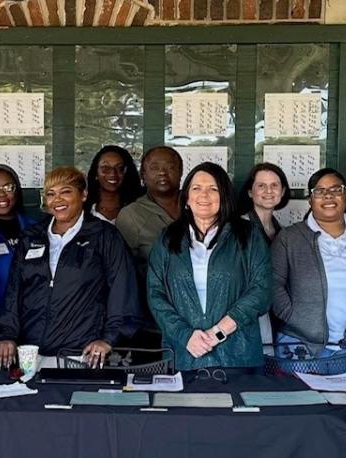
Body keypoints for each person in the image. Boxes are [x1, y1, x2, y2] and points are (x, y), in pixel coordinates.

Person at [0, 166, 140, 369]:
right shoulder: (32, 236)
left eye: (66, 192)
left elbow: (122, 289)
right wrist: (7, 335)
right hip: (31, 353)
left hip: (81, 354)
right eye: (51, 194)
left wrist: (109, 339)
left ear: (84, 194)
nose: (57, 200)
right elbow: (14, 291)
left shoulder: (104, 235)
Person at [146, 163, 272, 371]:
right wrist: (185, 335)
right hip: (183, 354)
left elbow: (262, 290)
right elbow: (155, 293)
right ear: (186, 197)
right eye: (196, 188)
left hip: (238, 355)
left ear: (224, 196)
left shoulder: (248, 235)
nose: (204, 195)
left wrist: (218, 332)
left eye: (213, 189)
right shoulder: (168, 238)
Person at [269, 168, 346, 370]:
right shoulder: (290, 238)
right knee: (301, 401)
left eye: (336, 189)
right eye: (319, 191)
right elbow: (273, 283)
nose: (328, 196)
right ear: (310, 201)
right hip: (299, 345)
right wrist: (294, 316)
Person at [0, 165, 36, 310]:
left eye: (9, 187)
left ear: (17, 191)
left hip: (31, 316)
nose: (1, 194)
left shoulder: (36, 229)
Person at [117, 146, 183, 270]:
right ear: (143, 175)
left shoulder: (198, 205)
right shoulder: (131, 215)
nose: (162, 172)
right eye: (154, 168)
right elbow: (125, 268)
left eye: (170, 167)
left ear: (181, 172)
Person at [85, 145, 143, 223]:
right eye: (105, 168)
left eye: (120, 168)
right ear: (96, 172)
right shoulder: (83, 209)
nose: (113, 173)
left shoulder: (138, 209)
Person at [239, 162, 291, 244]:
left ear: (283, 192)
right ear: (250, 192)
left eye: (274, 185)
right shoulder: (237, 229)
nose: (269, 191)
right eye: (261, 186)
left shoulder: (283, 231)